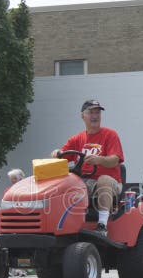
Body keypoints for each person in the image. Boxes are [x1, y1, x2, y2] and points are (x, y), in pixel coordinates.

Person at [52, 99, 125, 236]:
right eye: (91, 112)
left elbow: (115, 160)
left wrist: (99, 160)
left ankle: (102, 225)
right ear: (82, 116)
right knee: (64, 183)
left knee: (104, 179)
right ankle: (61, 224)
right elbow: (60, 157)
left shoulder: (110, 135)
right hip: (84, 182)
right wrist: (56, 153)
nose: (95, 116)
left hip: (110, 182)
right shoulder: (76, 139)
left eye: (97, 112)